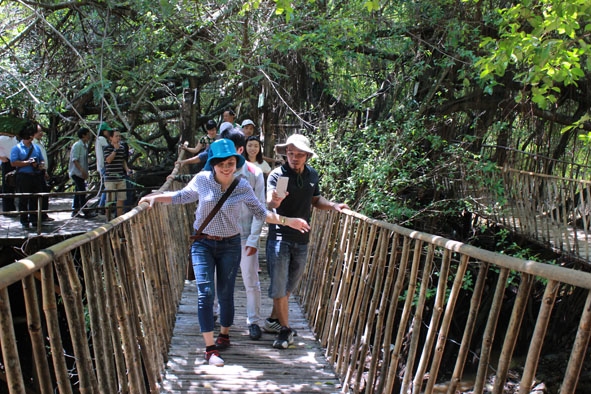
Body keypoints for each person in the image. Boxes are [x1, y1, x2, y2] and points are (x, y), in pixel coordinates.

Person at [139, 139, 310, 367]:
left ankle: (225, 333)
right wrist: (154, 197)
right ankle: (210, 348)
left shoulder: (241, 186)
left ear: (236, 162)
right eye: (221, 163)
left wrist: (289, 221)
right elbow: (181, 196)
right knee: (206, 293)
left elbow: (261, 212)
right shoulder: (202, 180)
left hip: (230, 244)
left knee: (226, 293)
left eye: (230, 162)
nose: (226, 167)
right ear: (213, 163)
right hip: (203, 243)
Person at [265, 134, 349, 349]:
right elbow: (269, 202)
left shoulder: (312, 174)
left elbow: (315, 200)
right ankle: (285, 330)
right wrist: (275, 199)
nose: (294, 157)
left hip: (302, 238)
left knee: (288, 286)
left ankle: (273, 320)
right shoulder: (278, 174)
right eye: (290, 153)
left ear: (307, 156)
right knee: (279, 286)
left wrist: (333, 205)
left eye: (299, 154)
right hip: (280, 238)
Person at [10, 122, 46, 228]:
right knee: (23, 199)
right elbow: (14, 162)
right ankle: (24, 221)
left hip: (35, 175)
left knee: (35, 199)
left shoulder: (36, 148)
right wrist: (28, 162)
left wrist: (39, 165)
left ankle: (35, 220)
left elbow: (42, 160)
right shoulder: (17, 148)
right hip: (23, 176)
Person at [69, 127, 96, 218]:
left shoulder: (85, 146)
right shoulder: (77, 145)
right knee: (82, 191)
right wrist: (82, 171)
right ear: (84, 135)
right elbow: (75, 160)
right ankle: (85, 211)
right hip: (76, 172)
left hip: (81, 173)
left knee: (79, 191)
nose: (89, 136)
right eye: (88, 134)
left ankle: (75, 210)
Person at [103, 129, 130, 219]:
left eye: (119, 136)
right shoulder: (107, 148)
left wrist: (127, 169)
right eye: (116, 136)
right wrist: (115, 150)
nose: (118, 138)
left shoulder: (122, 148)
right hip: (110, 178)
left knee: (121, 200)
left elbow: (123, 160)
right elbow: (108, 160)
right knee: (109, 200)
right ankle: (108, 219)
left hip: (120, 177)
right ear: (111, 138)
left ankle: (119, 219)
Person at [32, 123, 54, 221]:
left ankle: (43, 215)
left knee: (44, 194)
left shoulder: (40, 143)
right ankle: (37, 216)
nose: (41, 133)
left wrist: (45, 171)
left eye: (41, 131)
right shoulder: (33, 144)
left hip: (42, 171)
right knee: (38, 195)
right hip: (36, 172)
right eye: (38, 131)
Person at [95, 122, 112, 213]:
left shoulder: (98, 139)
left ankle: (102, 205)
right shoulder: (101, 139)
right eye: (107, 131)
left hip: (102, 166)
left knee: (107, 187)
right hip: (104, 166)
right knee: (108, 187)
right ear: (103, 131)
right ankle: (102, 206)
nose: (109, 133)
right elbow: (109, 149)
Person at [0, 133, 18, 213]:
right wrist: (1, 157)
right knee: (7, 185)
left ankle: (12, 207)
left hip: (15, 163)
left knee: (13, 185)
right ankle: (7, 209)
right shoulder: (2, 138)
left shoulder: (15, 139)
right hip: (6, 162)